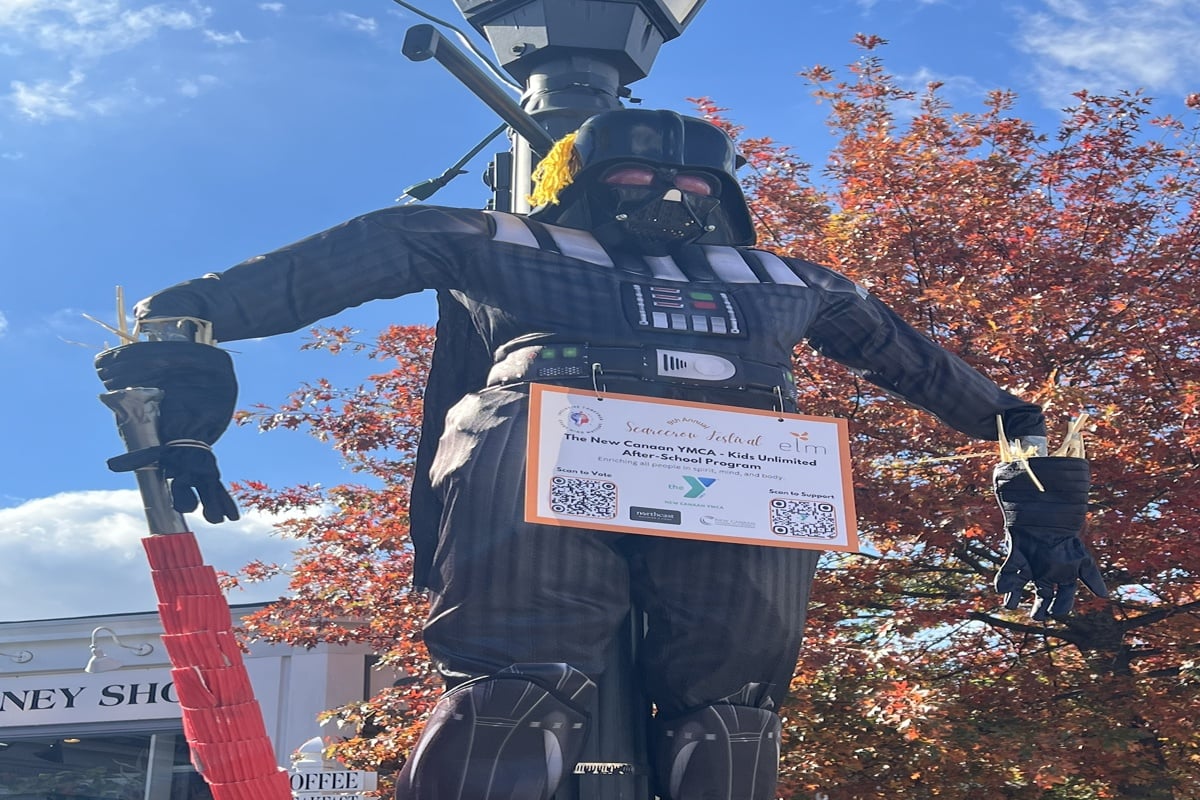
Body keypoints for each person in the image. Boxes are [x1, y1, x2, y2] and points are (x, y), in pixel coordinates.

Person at [96, 109, 1105, 800]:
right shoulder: (772, 275)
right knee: (549, 688)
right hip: (670, 450)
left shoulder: (504, 240)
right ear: (582, 180)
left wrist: (1043, 490)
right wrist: (184, 363)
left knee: (715, 709)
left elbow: (996, 404)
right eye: (636, 173)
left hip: (685, 457)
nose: (665, 191)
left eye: (685, 177)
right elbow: (997, 404)